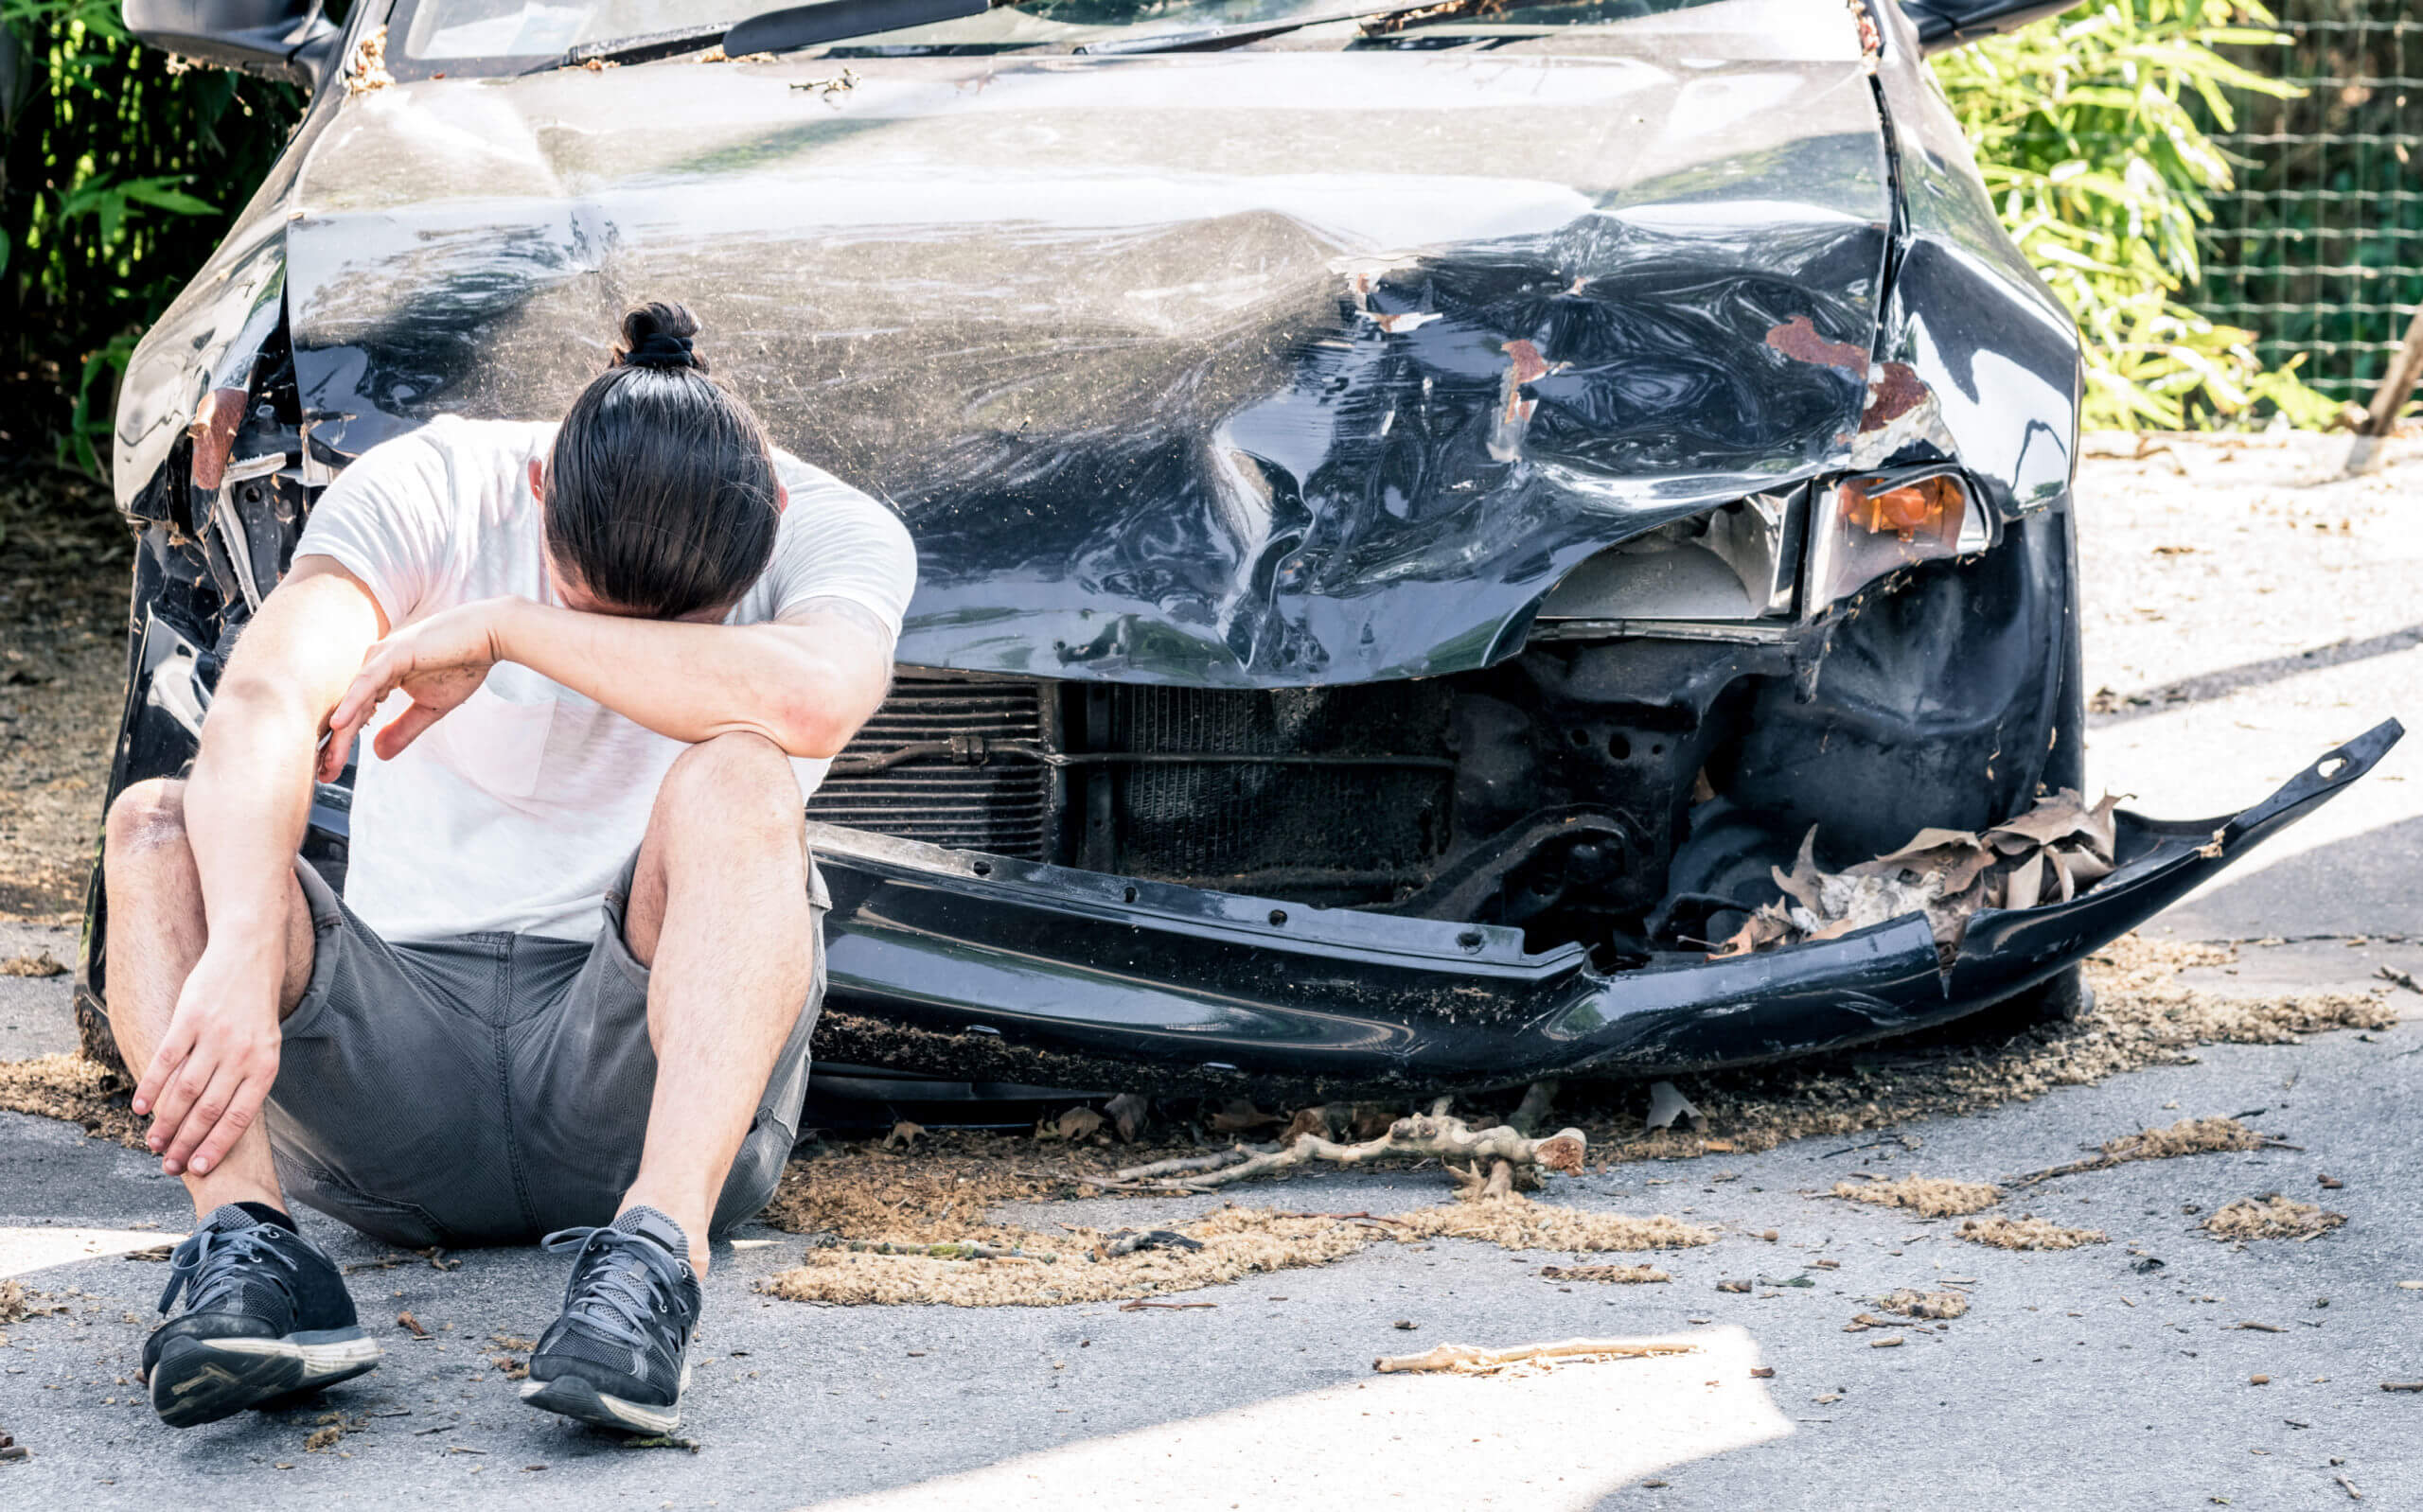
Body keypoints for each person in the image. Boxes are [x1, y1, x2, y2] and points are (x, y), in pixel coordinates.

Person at [99, 302, 915, 1433]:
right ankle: (251, 1254)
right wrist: (242, 937)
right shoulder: (434, 484)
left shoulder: (837, 526)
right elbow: (269, 695)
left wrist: (512, 628)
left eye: (684, 631)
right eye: (588, 606)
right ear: (541, 490)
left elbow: (817, 695)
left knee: (741, 772)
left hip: (636, 1079)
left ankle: (649, 1270)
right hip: (398, 1077)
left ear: (768, 514)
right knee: (156, 824)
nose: (624, 652)